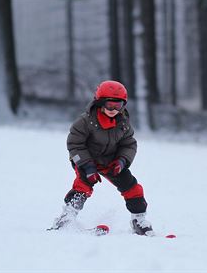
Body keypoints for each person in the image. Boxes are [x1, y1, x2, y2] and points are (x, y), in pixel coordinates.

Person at [49, 80, 154, 236]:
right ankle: (66, 217)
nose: (113, 110)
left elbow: (129, 144)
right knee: (83, 185)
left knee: (132, 187)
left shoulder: (123, 123)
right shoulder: (85, 122)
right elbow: (75, 144)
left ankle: (138, 220)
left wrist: (122, 161)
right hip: (86, 160)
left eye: (117, 106)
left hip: (110, 161)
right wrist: (88, 166)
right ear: (100, 103)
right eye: (109, 105)